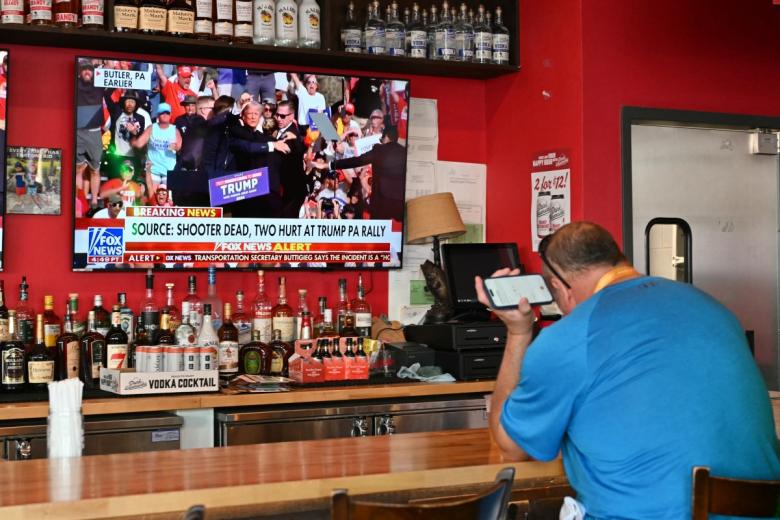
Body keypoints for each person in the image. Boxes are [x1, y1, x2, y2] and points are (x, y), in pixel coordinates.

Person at [475, 221, 780, 519]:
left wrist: (518, 332)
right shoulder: (712, 306)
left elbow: (512, 447)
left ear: (558, 287)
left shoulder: (571, 336)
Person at [320, 126, 406, 221]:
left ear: (387, 136)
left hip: (381, 203)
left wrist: (331, 165)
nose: (381, 142)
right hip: (400, 201)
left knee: (378, 233)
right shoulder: (404, 152)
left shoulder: (379, 150)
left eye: (382, 139)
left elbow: (357, 161)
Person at [227, 101, 292, 217]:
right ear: (242, 116)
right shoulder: (236, 132)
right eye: (249, 113)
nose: (252, 117)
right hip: (242, 193)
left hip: (268, 195)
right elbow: (248, 145)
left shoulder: (267, 138)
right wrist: (273, 145)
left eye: (256, 114)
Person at [132, 102, 182, 195]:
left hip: (169, 170)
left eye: (167, 113)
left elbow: (179, 147)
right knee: (153, 199)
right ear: (158, 115)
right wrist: (133, 136)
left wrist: (175, 147)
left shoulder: (174, 130)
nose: (165, 115)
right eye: (162, 113)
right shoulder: (151, 128)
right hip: (153, 169)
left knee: (168, 200)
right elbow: (139, 144)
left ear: (170, 115)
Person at [75, 60, 106, 213]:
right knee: (79, 169)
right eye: (84, 70)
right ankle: (78, 199)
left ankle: (94, 199)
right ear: (79, 72)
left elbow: (112, 71)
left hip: (94, 132)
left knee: (95, 169)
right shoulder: (74, 85)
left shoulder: (99, 85)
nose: (87, 72)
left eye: (89, 69)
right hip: (78, 131)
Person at [273, 100, 307, 217]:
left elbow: (298, 151)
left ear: (292, 116)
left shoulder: (292, 135)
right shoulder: (277, 129)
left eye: (282, 116)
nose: (278, 118)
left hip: (292, 191)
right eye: (277, 114)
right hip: (283, 190)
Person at [175, 95, 208, 171]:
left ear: (196, 106)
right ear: (184, 107)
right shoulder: (179, 120)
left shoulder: (201, 120)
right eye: (187, 105)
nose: (190, 108)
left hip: (197, 158)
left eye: (192, 105)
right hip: (182, 157)